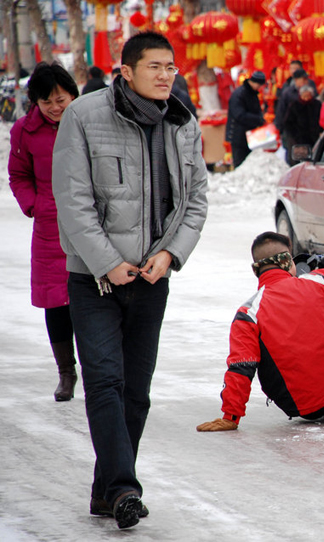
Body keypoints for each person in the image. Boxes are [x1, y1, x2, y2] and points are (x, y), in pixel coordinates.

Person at [52, 31, 208, 530]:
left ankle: (106, 491)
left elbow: (195, 202)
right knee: (104, 383)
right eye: (155, 67)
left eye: (171, 67)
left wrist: (169, 255)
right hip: (94, 280)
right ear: (127, 71)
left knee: (136, 392)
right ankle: (124, 489)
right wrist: (106, 262)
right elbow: (72, 200)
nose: (166, 75)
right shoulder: (85, 116)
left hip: (151, 276)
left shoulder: (182, 123)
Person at [196, 232, 324, 432]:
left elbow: (241, 368)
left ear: (256, 269)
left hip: (298, 406)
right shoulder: (315, 282)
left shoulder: (248, 313)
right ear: (285, 262)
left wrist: (231, 416)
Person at [8, 62, 80, 401]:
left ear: (72, 95)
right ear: (35, 102)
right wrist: (34, 205)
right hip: (50, 225)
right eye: (46, 102)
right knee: (56, 301)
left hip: (90, 221)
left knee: (94, 298)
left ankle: (101, 370)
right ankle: (66, 372)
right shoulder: (24, 131)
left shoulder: (87, 123)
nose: (54, 108)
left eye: (60, 100)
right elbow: (19, 175)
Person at [225, 70, 267, 168]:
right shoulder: (239, 94)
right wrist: (258, 119)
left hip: (250, 136)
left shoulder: (253, 93)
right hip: (238, 136)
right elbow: (239, 115)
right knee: (240, 164)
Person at [282, 85, 322, 166]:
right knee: (300, 163)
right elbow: (288, 123)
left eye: (308, 96)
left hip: (314, 138)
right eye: (304, 96)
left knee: (315, 161)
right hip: (299, 140)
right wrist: (296, 136)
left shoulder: (317, 104)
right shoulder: (294, 105)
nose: (306, 98)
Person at [274, 68, 310, 148]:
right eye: (303, 79)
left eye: (306, 79)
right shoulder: (288, 93)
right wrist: (280, 129)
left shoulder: (309, 91)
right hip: (291, 131)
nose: (305, 81)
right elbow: (281, 111)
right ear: (296, 80)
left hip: (305, 131)